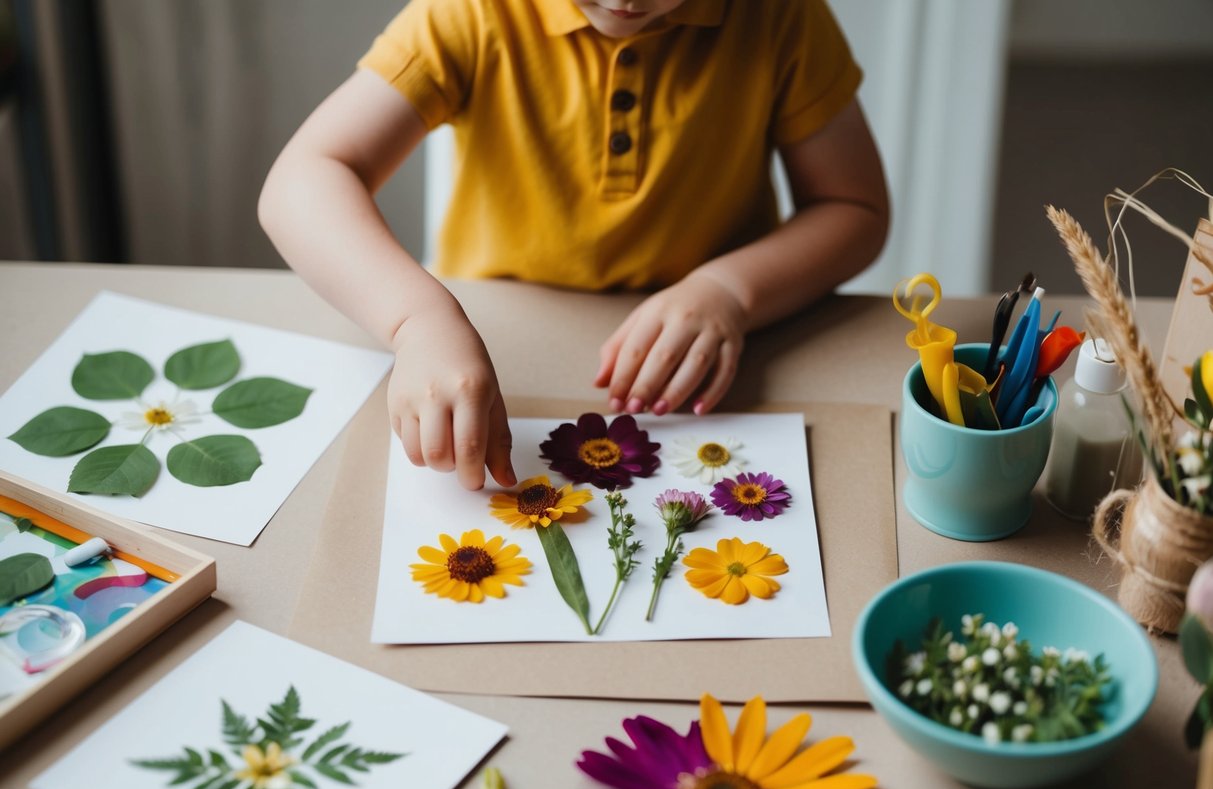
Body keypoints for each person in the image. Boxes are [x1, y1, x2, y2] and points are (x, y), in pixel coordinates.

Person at [258, 0, 889, 492]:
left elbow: (853, 207)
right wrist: (415, 320)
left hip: (713, 365)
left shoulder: (781, 16)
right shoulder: (470, 14)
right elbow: (302, 180)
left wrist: (729, 291)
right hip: (486, 342)